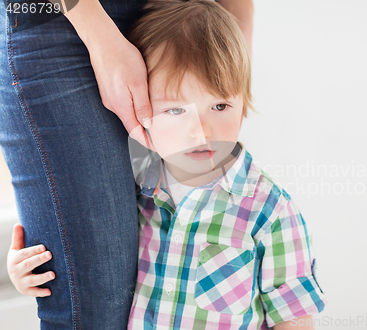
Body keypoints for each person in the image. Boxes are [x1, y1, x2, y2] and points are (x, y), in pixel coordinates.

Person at [0, 0, 253, 328]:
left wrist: (235, 56)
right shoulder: (146, 189)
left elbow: (291, 301)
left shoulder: (265, 206)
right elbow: (82, 245)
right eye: (176, 111)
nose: (201, 131)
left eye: (219, 106)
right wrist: (26, 269)